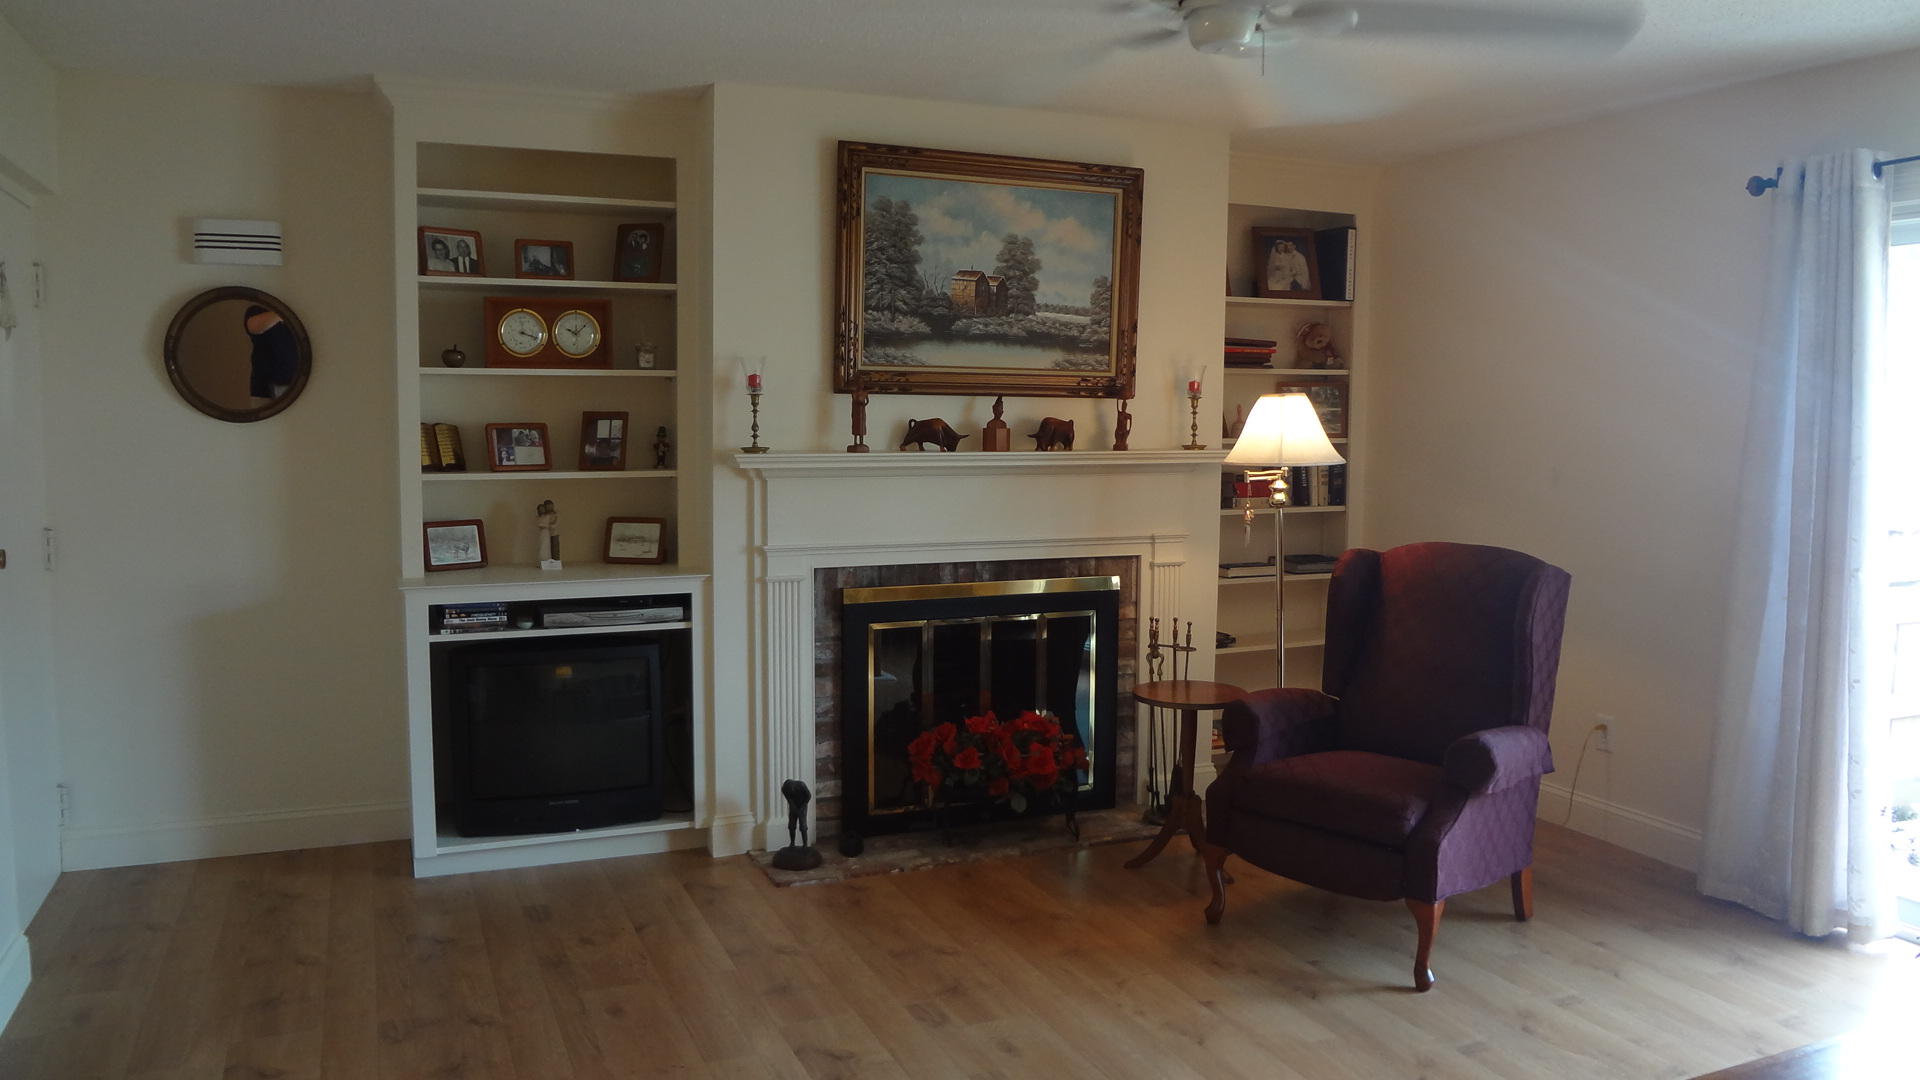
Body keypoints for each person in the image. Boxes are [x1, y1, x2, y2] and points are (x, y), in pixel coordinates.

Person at [245, 304, 298, 405]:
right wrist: (284, 313)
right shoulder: (258, 309)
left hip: (297, 382)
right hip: (264, 387)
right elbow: (253, 326)